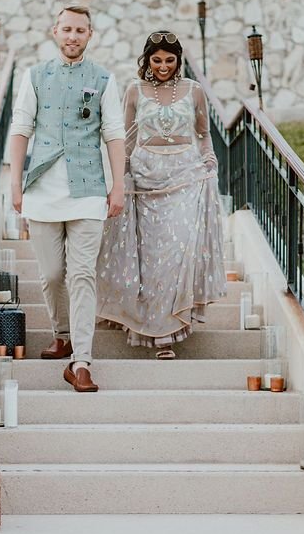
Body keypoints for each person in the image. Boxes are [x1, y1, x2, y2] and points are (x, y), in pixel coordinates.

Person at [7, 5, 125, 393]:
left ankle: (82, 361)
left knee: (82, 274)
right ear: (54, 32)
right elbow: (21, 127)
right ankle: (62, 334)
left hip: (88, 189)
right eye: (67, 29)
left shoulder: (104, 79)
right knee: (53, 274)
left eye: (80, 30)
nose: (73, 36)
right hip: (42, 189)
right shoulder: (35, 76)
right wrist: (15, 182)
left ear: (90, 35)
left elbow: (113, 133)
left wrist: (117, 185)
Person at [97, 31, 226, 360]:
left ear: (178, 60)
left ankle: (168, 332)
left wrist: (209, 158)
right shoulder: (135, 90)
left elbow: (204, 134)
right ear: (147, 60)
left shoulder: (194, 91)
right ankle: (153, 331)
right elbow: (126, 139)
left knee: (176, 251)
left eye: (170, 60)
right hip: (144, 178)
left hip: (184, 176)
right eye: (157, 60)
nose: (164, 66)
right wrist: (120, 176)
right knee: (150, 258)